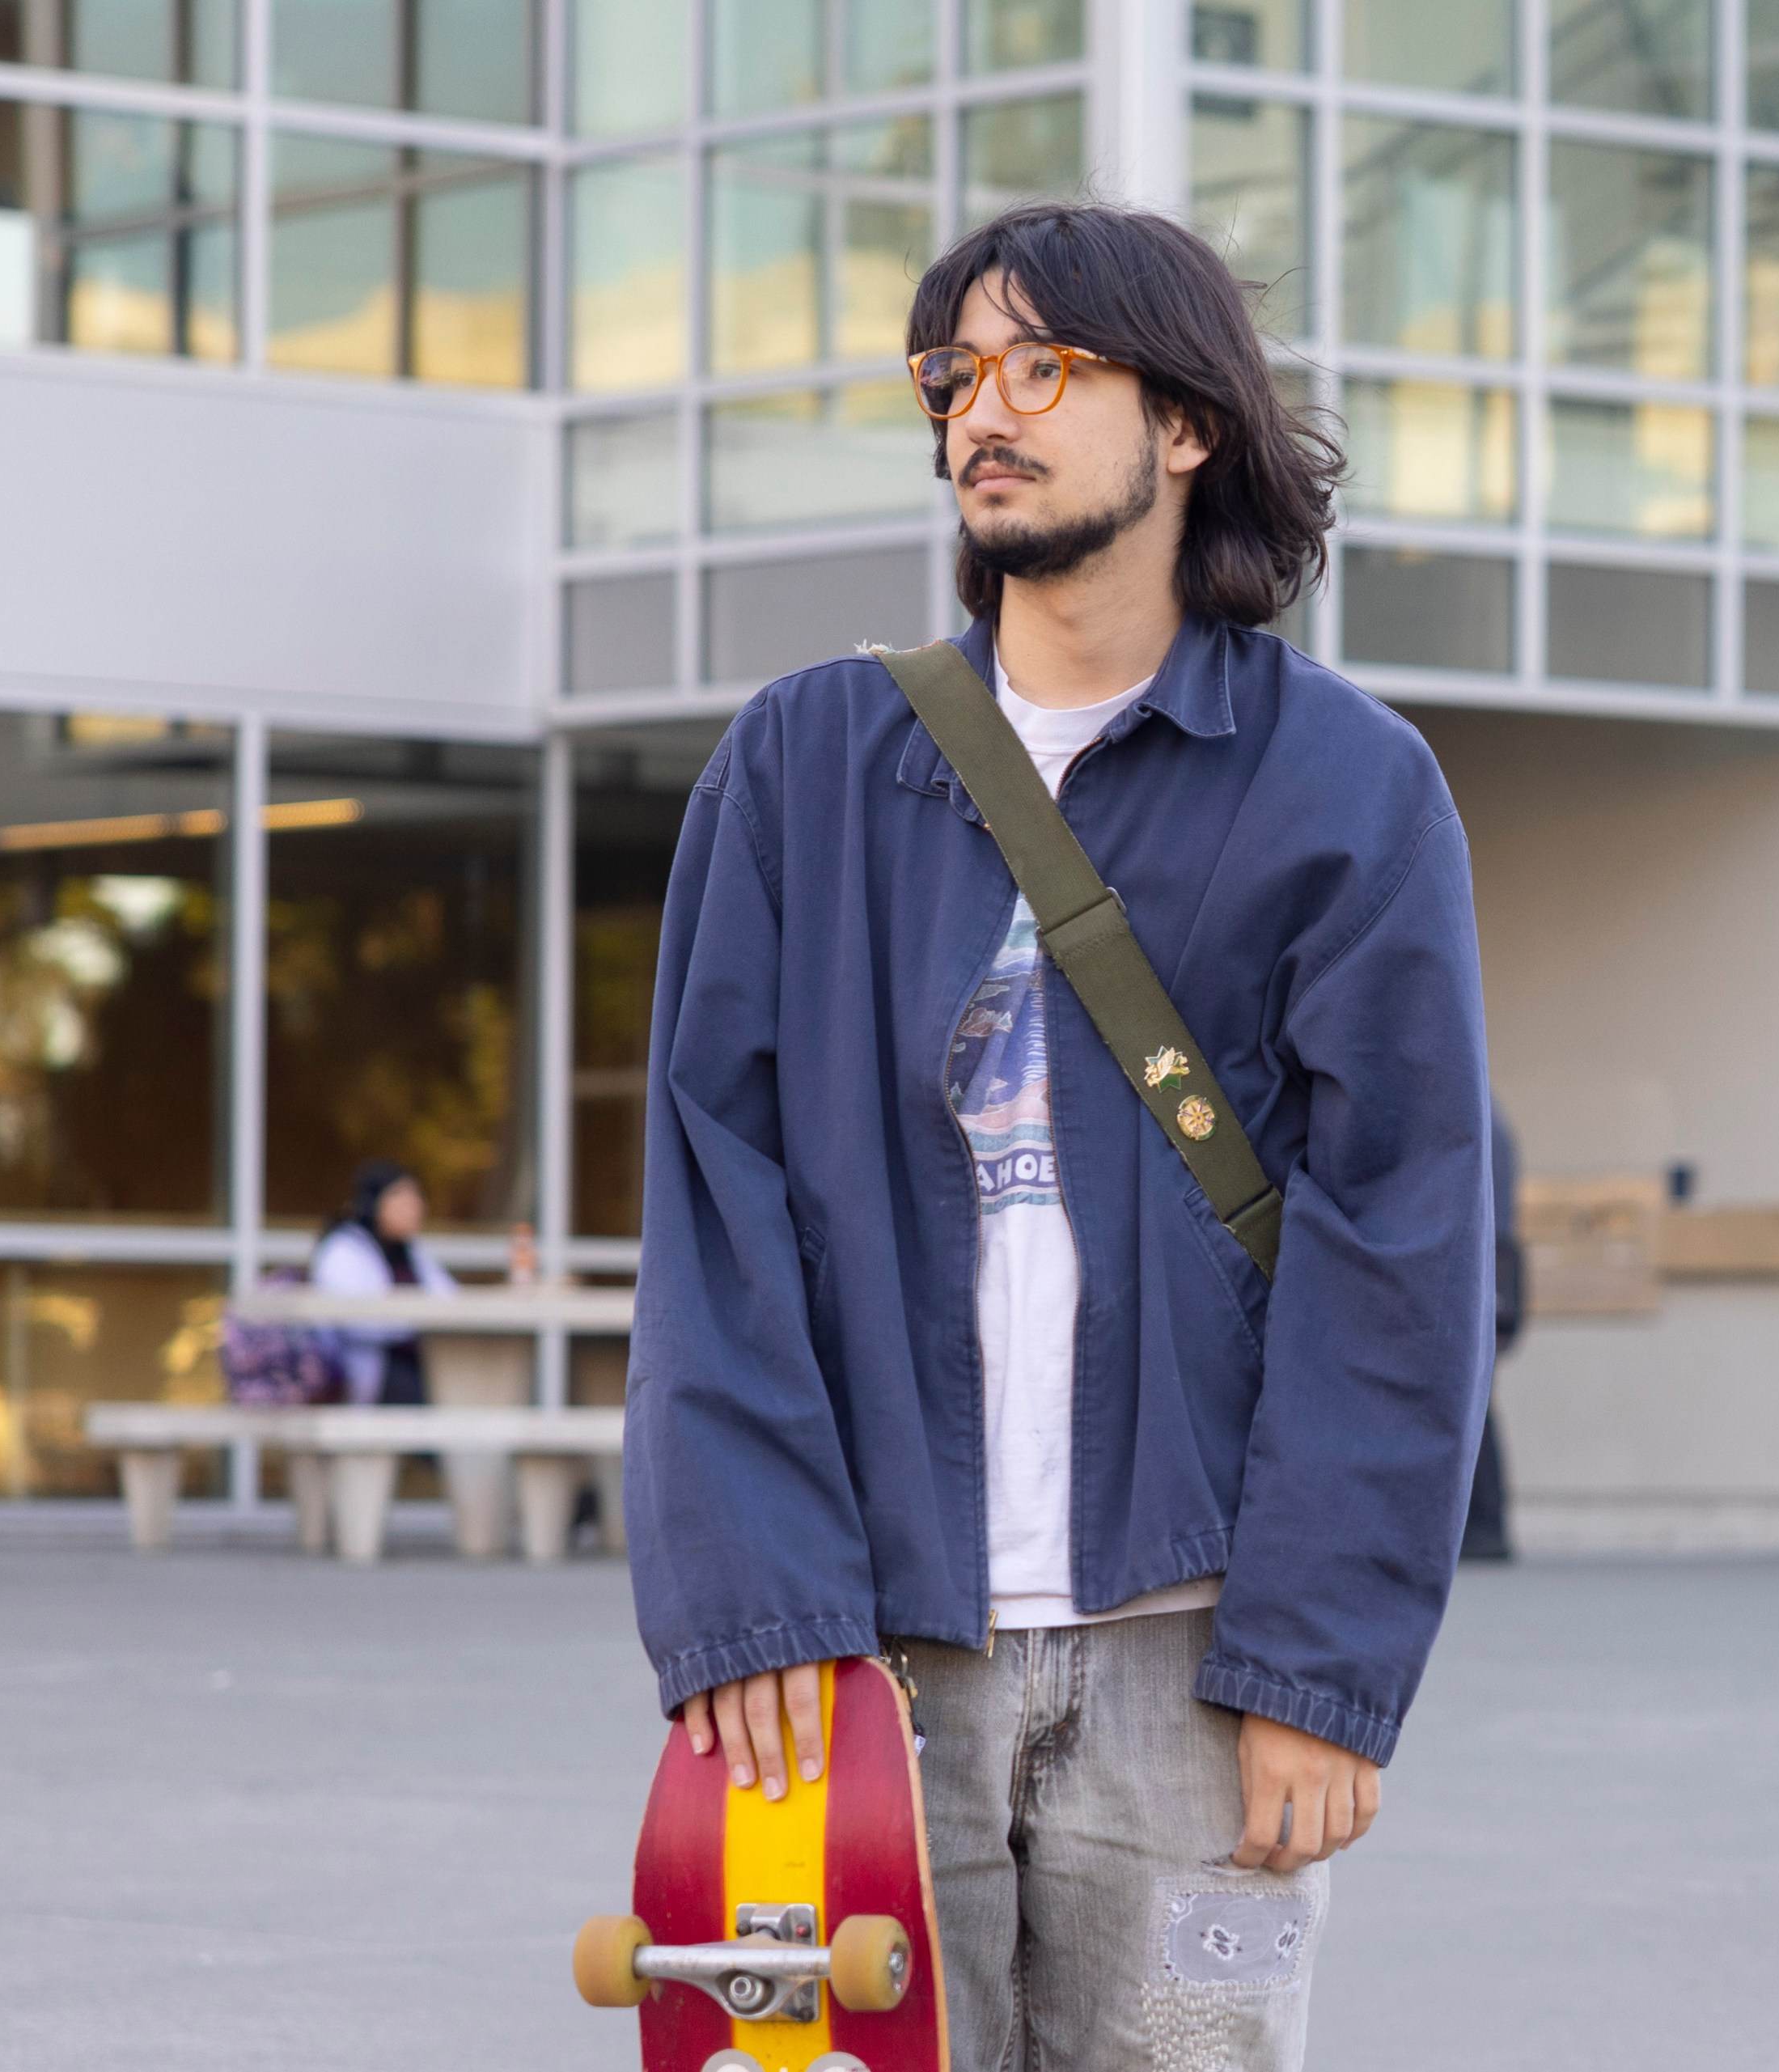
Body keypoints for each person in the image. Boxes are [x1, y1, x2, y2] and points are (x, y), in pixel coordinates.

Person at [625, 201, 1494, 2068]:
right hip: (854, 1659)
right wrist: (751, 1594)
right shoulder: (801, 766)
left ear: (1184, 422)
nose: (980, 414)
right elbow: (716, 1192)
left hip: (1193, 1673)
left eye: (1044, 368)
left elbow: (1397, 1247)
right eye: (953, 376)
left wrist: (1319, 1670)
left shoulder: (1349, 791)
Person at [307, 1159, 456, 1405]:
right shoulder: (342, 1250)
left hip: (418, 1377)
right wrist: (420, 1316)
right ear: (375, 1202)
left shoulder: (411, 1251)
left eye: (417, 1197)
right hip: (361, 1381)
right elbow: (359, 1320)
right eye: (404, 1197)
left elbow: (449, 1298)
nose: (417, 1207)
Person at [1461, 1104, 1527, 1562]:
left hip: (1486, 1264)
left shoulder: (1476, 1112)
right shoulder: (1492, 1114)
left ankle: (1485, 1527)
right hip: (1497, 1263)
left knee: (1473, 1402)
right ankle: (1484, 1526)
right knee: (1478, 1400)